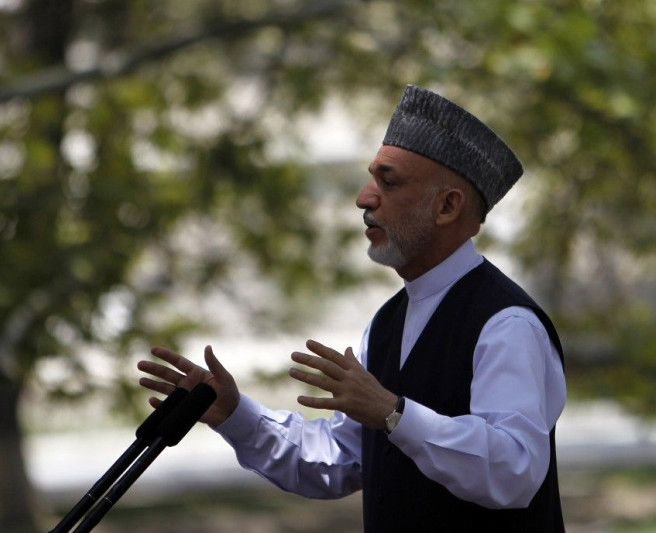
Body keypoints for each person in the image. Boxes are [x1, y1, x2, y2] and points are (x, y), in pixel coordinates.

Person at [138, 84, 567, 532]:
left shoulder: (507, 323)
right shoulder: (387, 323)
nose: (364, 198)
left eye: (389, 181)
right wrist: (235, 414)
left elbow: (514, 471)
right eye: (371, 179)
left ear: (447, 206)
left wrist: (393, 413)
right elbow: (341, 460)